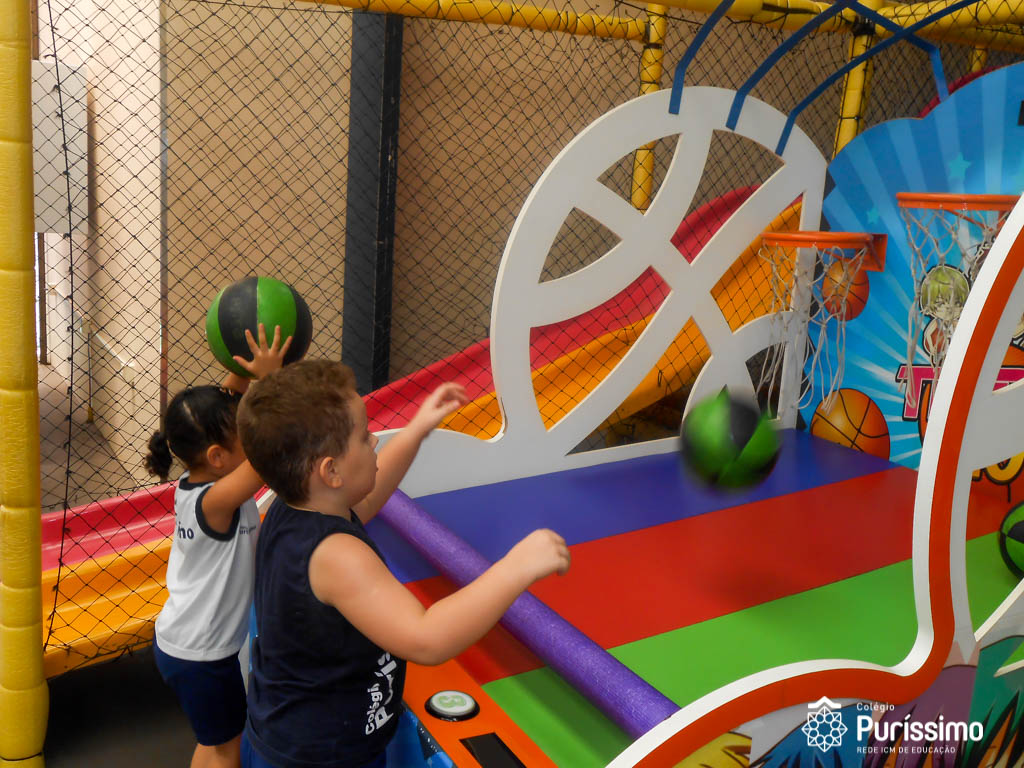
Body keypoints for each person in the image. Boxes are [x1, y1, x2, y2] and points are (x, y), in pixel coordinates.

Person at [236, 360, 570, 768]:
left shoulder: (295, 509)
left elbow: (368, 498)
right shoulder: (336, 555)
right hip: (320, 758)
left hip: (288, 735)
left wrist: (415, 432)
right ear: (331, 471)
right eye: (364, 436)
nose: (375, 441)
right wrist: (515, 567)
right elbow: (426, 638)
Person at [145, 325, 293, 768]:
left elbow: (226, 402)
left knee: (214, 742)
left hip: (189, 646)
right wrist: (271, 382)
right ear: (216, 457)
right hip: (201, 655)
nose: (247, 433)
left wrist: (243, 367)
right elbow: (266, 451)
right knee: (228, 749)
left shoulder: (199, 481)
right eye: (240, 433)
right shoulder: (216, 502)